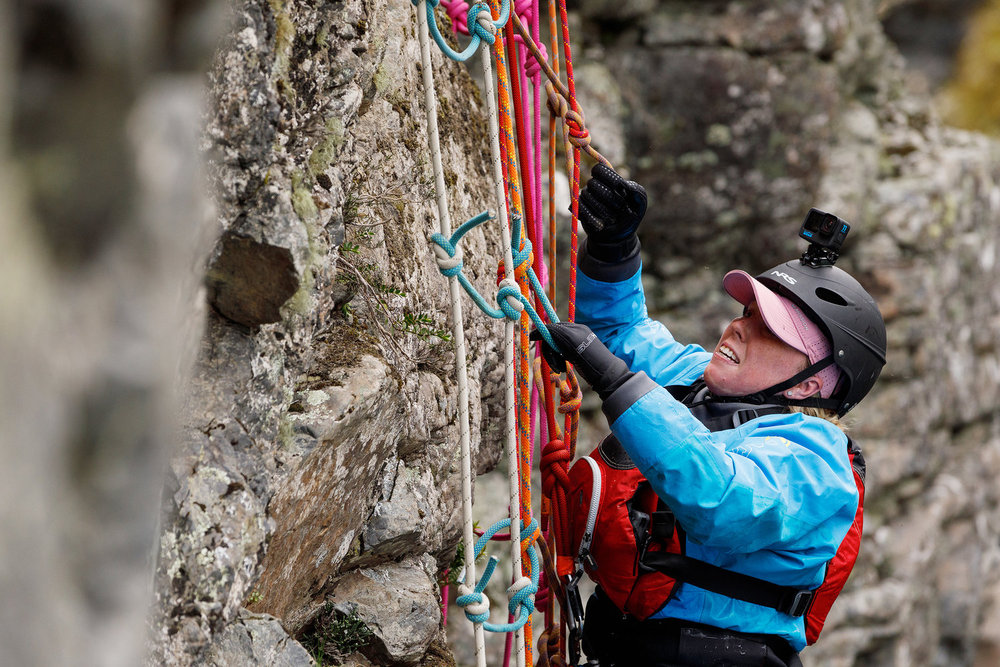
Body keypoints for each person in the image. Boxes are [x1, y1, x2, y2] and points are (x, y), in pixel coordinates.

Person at [532, 164, 887, 667]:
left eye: (769, 329)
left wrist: (614, 382)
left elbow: (725, 501)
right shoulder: (699, 382)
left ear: (811, 384)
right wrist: (614, 251)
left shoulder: (819, 464)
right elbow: (618, 331)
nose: (737, 328)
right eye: (747, 314)